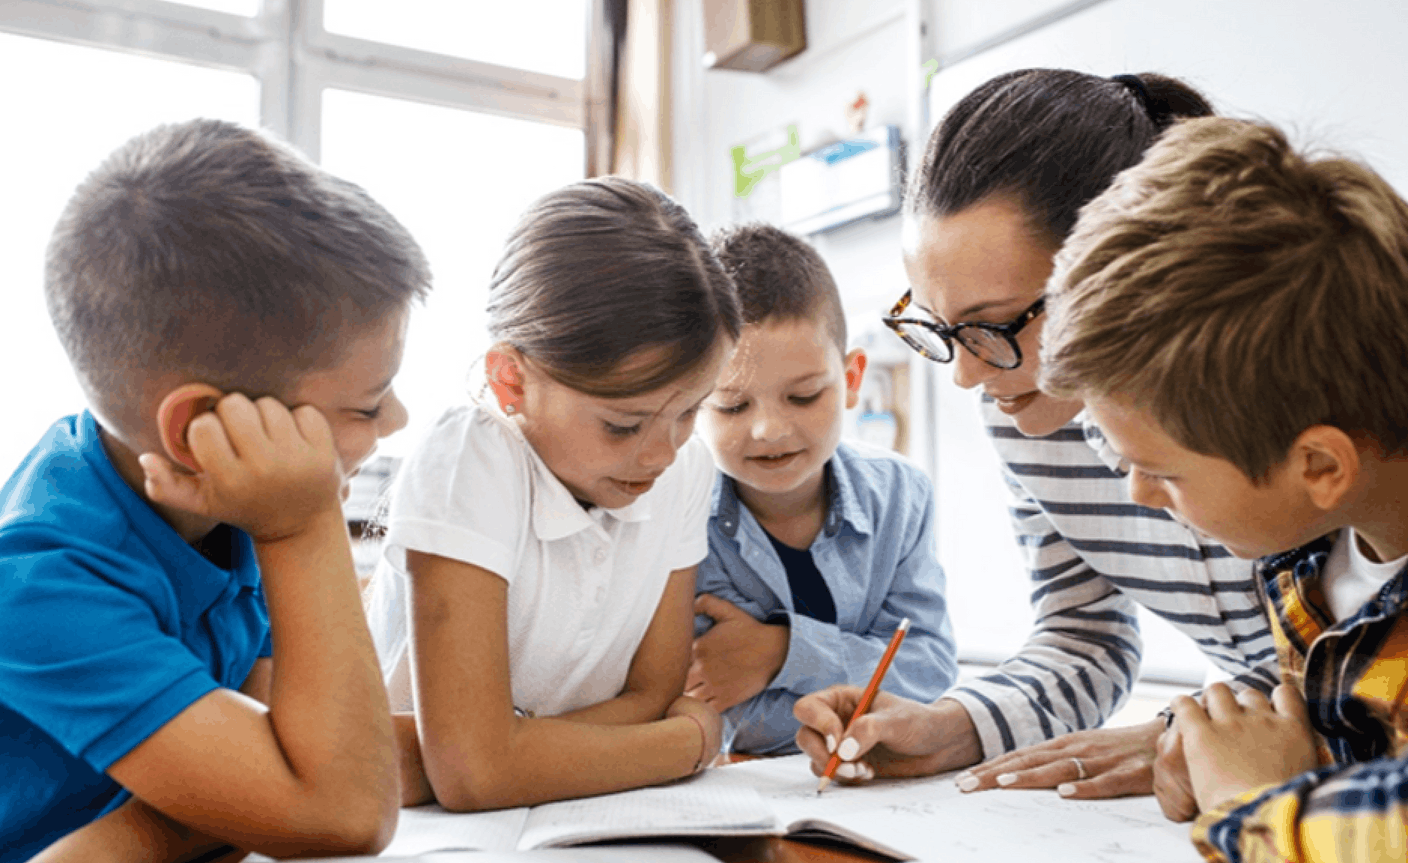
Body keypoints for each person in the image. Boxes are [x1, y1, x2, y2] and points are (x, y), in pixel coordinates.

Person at [793, 69, 1278, 797]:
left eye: (991, 325)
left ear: (1121, 269)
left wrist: (1191, 733)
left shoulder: (1297, 386)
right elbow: (1084, 634)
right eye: (939, 326)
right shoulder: (1022, 409)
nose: (964, 375)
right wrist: (950, 724)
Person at [1, 119, 430, 862]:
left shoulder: (212, 508)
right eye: (364, 405)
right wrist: (302, 526)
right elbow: (348, 812)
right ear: (201, 427)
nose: (398, 419)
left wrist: (149, 829)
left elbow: (322, 759)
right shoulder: (42, 582)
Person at [1040, 115, 1408, 862]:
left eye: (1163, 471)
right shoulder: (1308, 560)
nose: (1138, 493)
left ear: (1319, 468)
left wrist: (1250, 805)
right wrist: (1219, 742)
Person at [363, 176, 741, 810]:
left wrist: (497, 752)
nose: (662, 452)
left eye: (690, 412)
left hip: (580, 817)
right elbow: (474, 774)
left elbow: (652, 693)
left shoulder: (685, 469)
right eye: (623, 424)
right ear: (511, 380)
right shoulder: (471, 456)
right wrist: (689, 744)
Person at [687, 223, 957, 757]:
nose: (770, 430)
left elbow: (928, 671)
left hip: (876, 786)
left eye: (804, 396)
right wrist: (864, 701)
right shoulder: (680, 514)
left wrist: (784, 652)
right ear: (689, 399)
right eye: (733, 406)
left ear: (852, 379)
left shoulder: (901, 496)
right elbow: (713, 705)